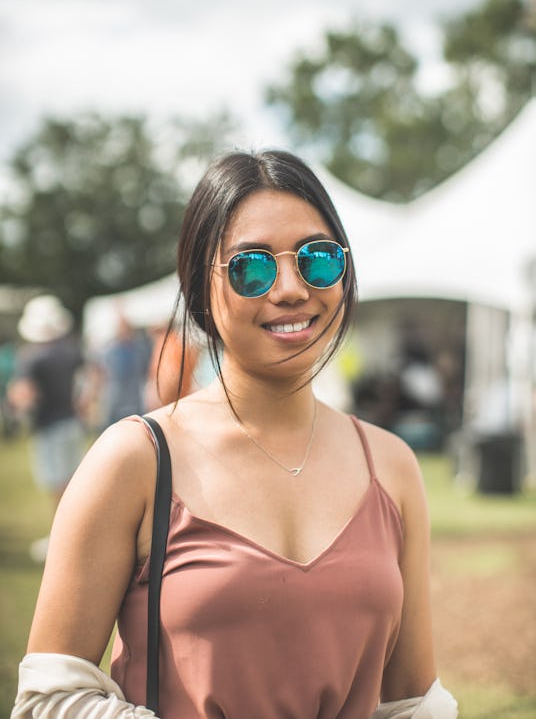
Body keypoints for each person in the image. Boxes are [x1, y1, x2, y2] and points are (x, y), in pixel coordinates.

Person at [11, 151, 457, 718]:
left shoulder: (390, 464)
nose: (293, 288)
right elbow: (50, 699)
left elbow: (412, 701)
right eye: (253, 266)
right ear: (200, 288)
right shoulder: (136, 459)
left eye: (318, 260)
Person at [8, 295, 85, 562]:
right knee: (71, 483)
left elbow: (24, 393)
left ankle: (62, 539)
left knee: (57, 486)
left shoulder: (31, 357)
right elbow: (87, 383)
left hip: (49, 427)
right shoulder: (70, 349)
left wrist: (15, 404)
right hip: (71, 423)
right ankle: (72, 536)